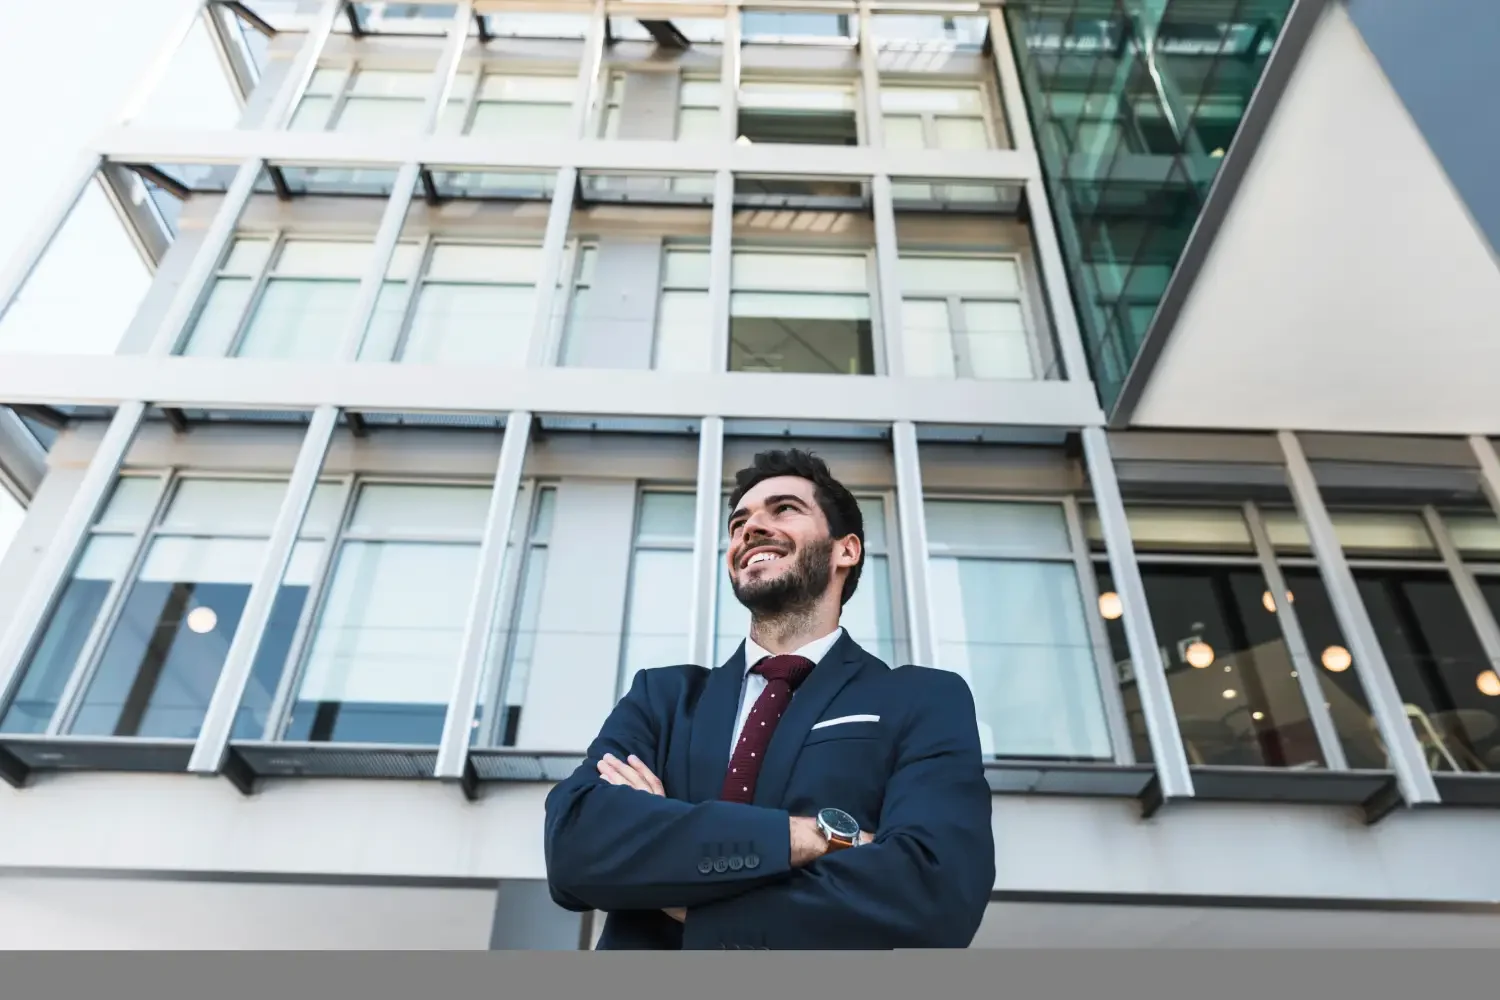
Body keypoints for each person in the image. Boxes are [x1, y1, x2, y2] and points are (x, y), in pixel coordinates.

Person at [543, 448, 994, 950]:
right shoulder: (663, 698)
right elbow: (575, 848)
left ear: (846, 550)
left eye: (783, 509)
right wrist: (817, 836)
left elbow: (934, 891)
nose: (751, 529)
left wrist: (672, 867)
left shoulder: (921, 698)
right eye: (738, 523)